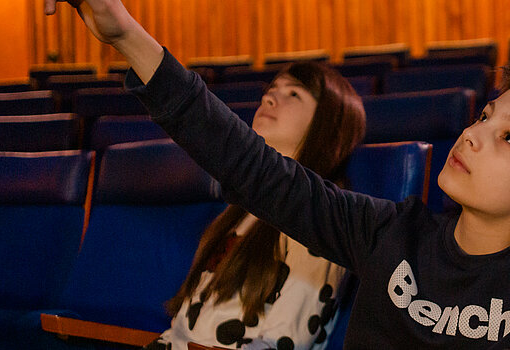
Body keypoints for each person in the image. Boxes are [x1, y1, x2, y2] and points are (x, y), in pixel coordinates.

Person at [45, 0, 510, 348]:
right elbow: (247, 164)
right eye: (485, 116)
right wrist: (126, 35)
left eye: (507, 140)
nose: (472, 133)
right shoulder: (389, 232)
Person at [145, 61, 366, 350]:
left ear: (326, 123)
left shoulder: (321, 218)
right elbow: (181, 331)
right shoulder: (239, 212)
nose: (269, 97)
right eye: (272, 89)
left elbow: (285, 343)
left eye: (294, 94)